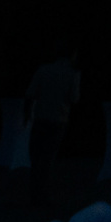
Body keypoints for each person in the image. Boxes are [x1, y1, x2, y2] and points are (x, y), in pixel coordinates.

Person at [26, 53, 80, 212]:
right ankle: (43, 195)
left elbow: (30, 93)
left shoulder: (44, 70)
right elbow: (74, 98)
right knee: (48, 159)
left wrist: (27, 114)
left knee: (36, 158)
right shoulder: (72, 74)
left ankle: (35, 194)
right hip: (58, 120)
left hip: (41, 117)